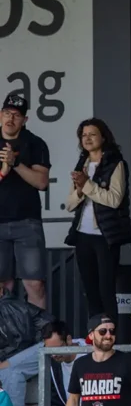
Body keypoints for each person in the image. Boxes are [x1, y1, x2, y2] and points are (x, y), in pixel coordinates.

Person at [64, 118, 131, 321]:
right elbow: (69, 204)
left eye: (92, 134)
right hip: (82, 235)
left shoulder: (116, 163)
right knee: (90, 291)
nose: (87, 138)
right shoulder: (81, 164)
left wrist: (87, 185)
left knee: (106, 290)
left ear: (103, 137)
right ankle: (95, 336)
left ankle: (111, 335)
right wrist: (79, 189)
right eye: (83, 135)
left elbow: (114, 199)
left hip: (105, 236)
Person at [0, 92, 51, 309]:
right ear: (0, 115)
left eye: (17, 115)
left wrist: (16, 163)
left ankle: (39, 339)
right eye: (7, 113)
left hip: (27, 222)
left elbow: (41, 182)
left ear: (25, 120)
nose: (11, 119)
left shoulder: (35, 144)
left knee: (35, 284)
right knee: (2, 285)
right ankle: (4, 339)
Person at [0, 291, 51, 406]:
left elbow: (20, 342)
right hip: (23, 351)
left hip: (45, 345)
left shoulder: (10, 307)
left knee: (10, 370)